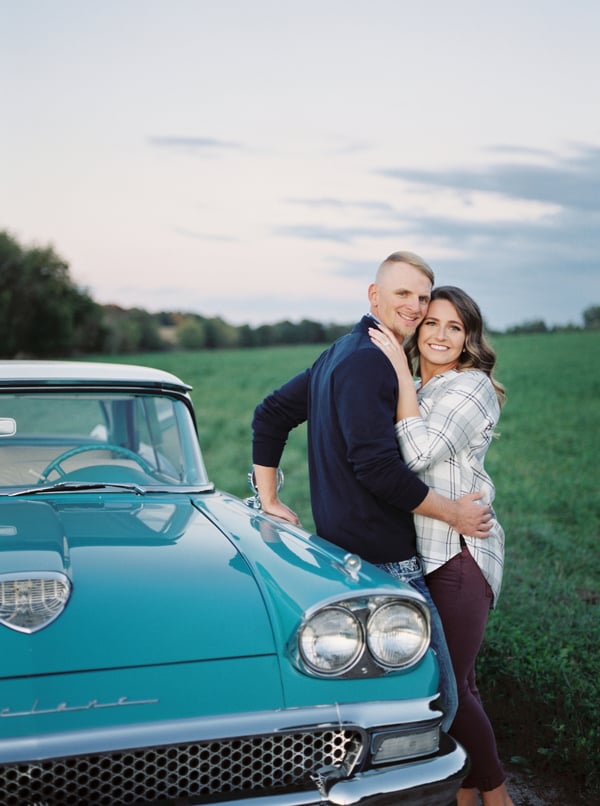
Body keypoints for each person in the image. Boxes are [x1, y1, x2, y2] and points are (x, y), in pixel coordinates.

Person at [252, 250, 492, 732]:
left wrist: (268, 497)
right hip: (385, 557)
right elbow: (378, 468)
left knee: (372, 691)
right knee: (439, 699)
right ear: (374, 295)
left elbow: (270, 413)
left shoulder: (341, 351)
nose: (415, 306)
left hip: (338, 551)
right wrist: (454, 514)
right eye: (403, 293)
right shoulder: (372, 361)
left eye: (422, 297)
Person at [368, 285, 513, 806]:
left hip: (459, 551)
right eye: (432, 323)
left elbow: (418, 453)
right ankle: (467, 790)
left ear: (469, 338)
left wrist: (402, 378)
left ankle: (496, 794)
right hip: (422, 556)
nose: (442, 335)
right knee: (462, 684)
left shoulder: (469, 386)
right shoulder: (420, 390)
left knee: (448, 687)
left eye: (456, 327)